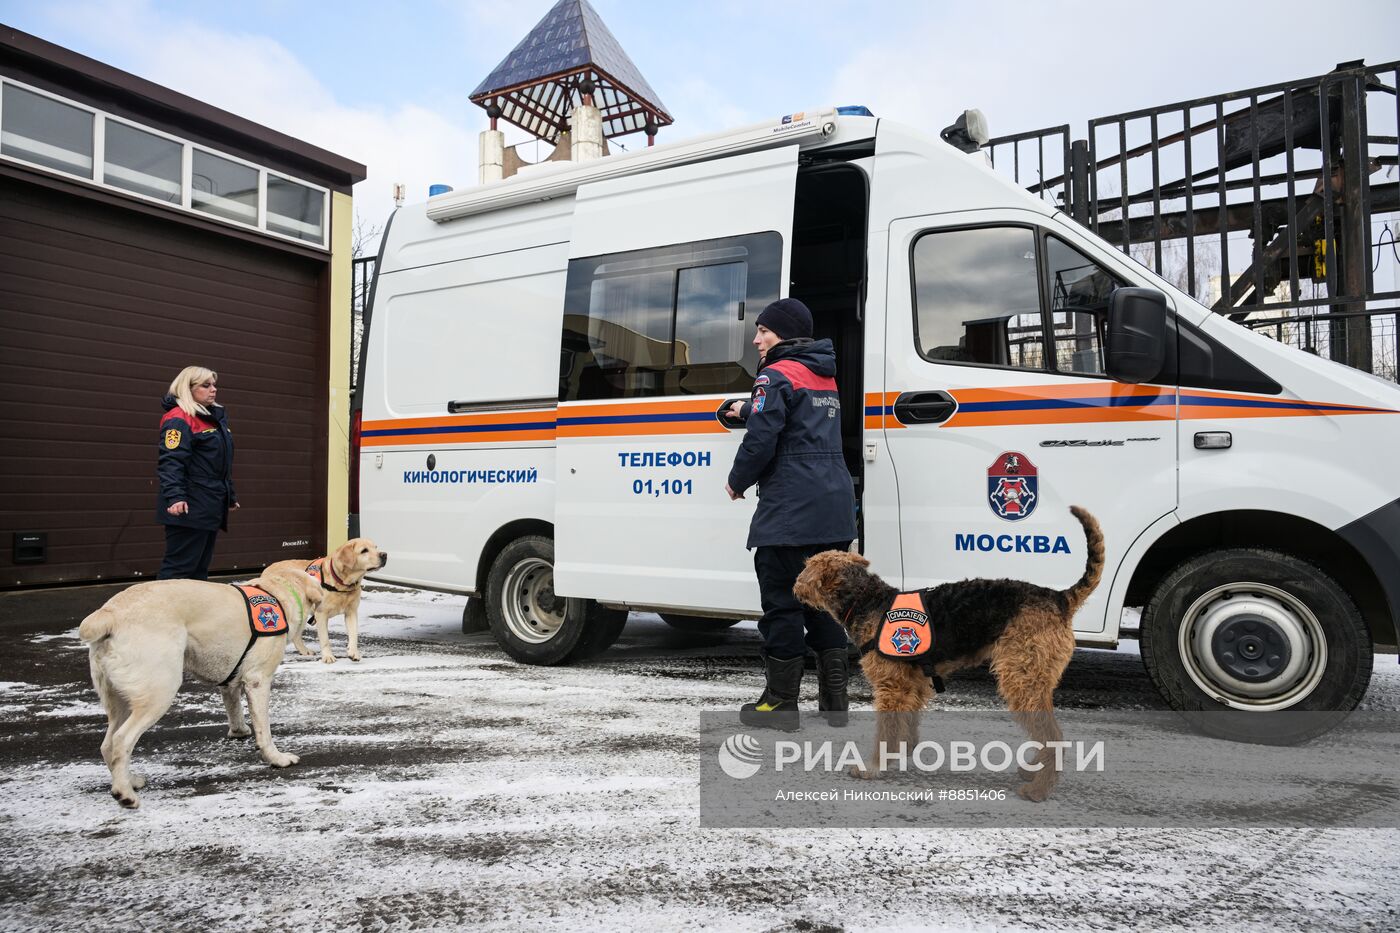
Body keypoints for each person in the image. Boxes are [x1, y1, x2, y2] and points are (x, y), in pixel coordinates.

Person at [725, 298, 857, 730]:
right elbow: (800, 425)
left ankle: (780, 704)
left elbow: (763, 439)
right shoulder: (824, 373)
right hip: (833, 506)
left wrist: (737, 481)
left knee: (783, 604)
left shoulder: (774, 374)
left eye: (764, 330)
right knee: (824, 601)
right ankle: (835, 703)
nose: (756, 338)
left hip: (791, 511)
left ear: (784, 333)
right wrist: (751, 410)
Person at [156, 366, 237, 580]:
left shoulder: (212, 418)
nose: (214, 389)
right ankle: (163, 612)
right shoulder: (179, 419)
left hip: (209, 504)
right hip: (189, 507)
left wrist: (230, 495)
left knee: (199, 570)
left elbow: (220, 463)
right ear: (188, 388)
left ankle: (191, 613)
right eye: (206, 385)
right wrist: (175, 497)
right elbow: (171, 462)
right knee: (179, 569)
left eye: (214, 384)